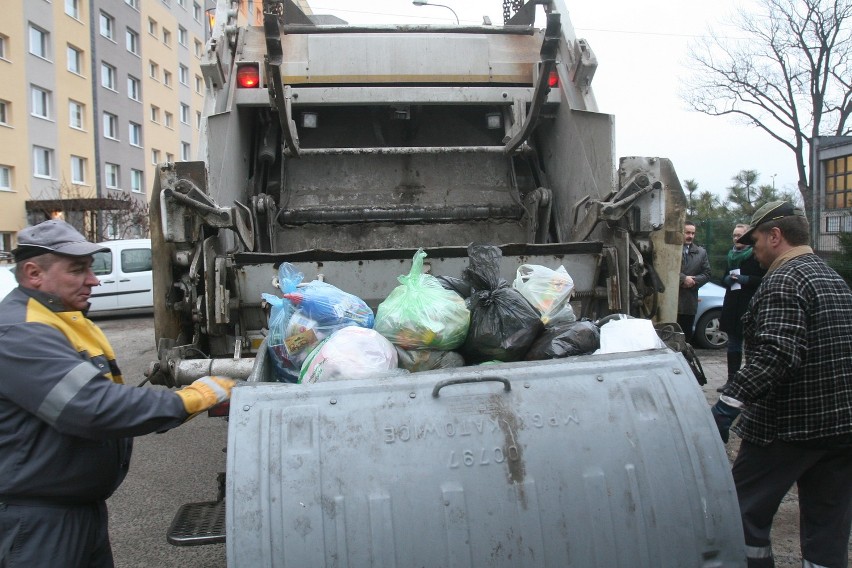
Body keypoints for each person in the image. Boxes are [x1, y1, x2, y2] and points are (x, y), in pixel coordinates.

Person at [0, 220, 237, 567]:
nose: (94, 280)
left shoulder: (61, 318)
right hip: (39, 521)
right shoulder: (20, 333)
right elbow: (93, 408)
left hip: (77, 511)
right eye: (78, 270)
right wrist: (195, 396)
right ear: (34, 273)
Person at [711, 202, 852, 568]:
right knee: (827, 526)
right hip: (841, 430)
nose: (750, 248)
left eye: (754, 239)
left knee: (740, 513)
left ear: (776, 236)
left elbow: (776, 354)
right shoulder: (830, 276)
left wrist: (728, 405)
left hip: (788, 427)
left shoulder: (784, 280)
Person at [717, 223, 767, 392]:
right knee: (733, 344)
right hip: (732, 304)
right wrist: (728, 279)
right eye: (734, 235)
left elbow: (763, 279)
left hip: (749, 304)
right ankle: (732, 380)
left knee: (751, 345)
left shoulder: (755, 255)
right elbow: (723, 277)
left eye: (739, 235)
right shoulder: (731, 255)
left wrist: (745, 279)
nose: (736, 238)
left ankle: (750, 382)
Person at [678, 221, 711, 343]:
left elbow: (707, 274)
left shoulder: (701, 252)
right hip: (671, 303)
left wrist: (693, 281)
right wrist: (683, 279)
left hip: (688, 303)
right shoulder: (670, 250)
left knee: (686, 339)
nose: (690, 236)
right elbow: (665, 269)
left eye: (692, 233)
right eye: (687, 232)